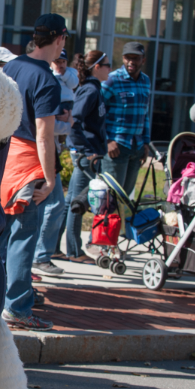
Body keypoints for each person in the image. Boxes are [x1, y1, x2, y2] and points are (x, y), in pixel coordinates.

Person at [0, 13, 66, 331]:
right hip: (28, 165)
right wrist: (51, 179)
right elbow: (44, 135)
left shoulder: (11, 67)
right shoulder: (47, 80)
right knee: (23, 239)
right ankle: (17, 307)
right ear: (59, 39)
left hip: (3, 159)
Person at [61, 50, 112, 262]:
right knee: (77, 203)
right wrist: (85, 150)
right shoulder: (90, 91)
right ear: (97, 67)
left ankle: (54, 247)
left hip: (89, 153)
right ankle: (74, 251)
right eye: (108, 65)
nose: (111, 68)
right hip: (86, 156)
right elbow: (74, 122)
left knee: (70, 202)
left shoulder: (94, 89)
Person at [35, 49, 78, 270]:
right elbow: (44, 129)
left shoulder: (65, 79)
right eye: (56, 60)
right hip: (41, 151)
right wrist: (67, 125)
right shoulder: (45, 80)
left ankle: (39, 256)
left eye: (63, 60)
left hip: (51, 149)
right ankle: (40, 256)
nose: (60, 64)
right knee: (53, 205)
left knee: (50, 205)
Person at [101, 42, 152, 199]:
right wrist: (106, 140)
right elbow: (95, 111)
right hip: (116, 146)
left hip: (136, 147)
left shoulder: (145, 80)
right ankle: (107, 224)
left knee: (125, 199)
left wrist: (146, 142)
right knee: (110, 199)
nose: (131, 62)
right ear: (123, 58)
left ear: (143, 60)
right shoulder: (112, 80)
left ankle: (122, 224)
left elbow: (145, 114)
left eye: (135, 58)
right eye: (127, 58)